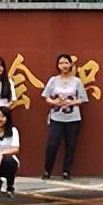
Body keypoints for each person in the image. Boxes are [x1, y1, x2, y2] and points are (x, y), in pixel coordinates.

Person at [41, 53, 89, 181]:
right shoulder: (53, 80)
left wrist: (71, 102)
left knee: (70, 145)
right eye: (61, 63)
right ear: (58, 65)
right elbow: (46, 98)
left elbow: (82, 99)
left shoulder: (77, 81)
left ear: (71, 65)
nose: (64, 65)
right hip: (56, 118)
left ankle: (66, 171)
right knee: (52, 144)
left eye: (66, 63)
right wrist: (55, 102)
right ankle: (47, 170)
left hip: (73, 118)